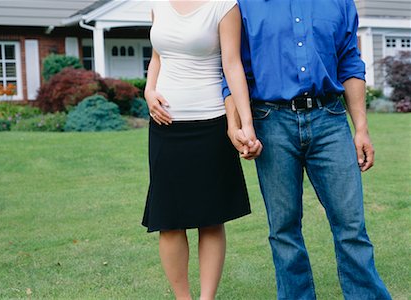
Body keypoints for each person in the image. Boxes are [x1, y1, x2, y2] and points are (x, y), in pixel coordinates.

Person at [223, 0, 392, 299]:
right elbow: (231, 67)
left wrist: (361, 128)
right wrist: (235, 124)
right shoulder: (243, 4)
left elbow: (350, 61)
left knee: (351, 225)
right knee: (284, 229)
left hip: (329, 119)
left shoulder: (340, 2)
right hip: (270, 121)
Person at [141, 1, 260, 299]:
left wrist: (246, 122)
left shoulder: (224, 5)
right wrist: (148, 90)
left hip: (210, 124)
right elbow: (158, 57)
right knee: (168, 220)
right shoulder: (157, 4)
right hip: (165, 127)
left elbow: (232, 65)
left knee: (210, 218)